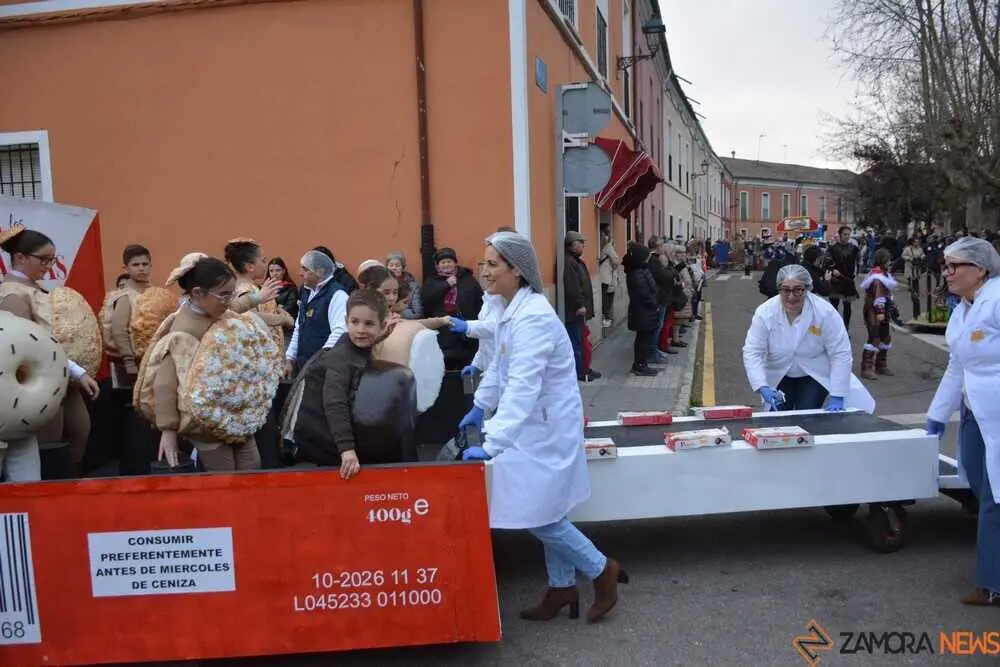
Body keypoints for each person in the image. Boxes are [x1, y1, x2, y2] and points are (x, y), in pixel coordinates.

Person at [459, 231, 627, 624]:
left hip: (546, 428)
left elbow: (522, 384)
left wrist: (493, 440)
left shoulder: (532, 317)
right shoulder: (508, 309)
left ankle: (602, 570)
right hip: (531, 427)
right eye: (483, 264)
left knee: (537, 513)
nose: (484, 272)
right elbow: (500, 367)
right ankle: (561, 587)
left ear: (517, 271)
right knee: (546, 507)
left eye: (492, 265)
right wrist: (480, 406)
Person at [142, 254, 279, 472]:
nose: (229, 300)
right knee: (225, 475)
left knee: (251, 466)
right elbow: (164, 382)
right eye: (224, 295)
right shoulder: (184, 330)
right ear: (197, 293)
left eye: (231, 293)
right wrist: (168, 431)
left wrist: (255, 300)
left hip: (235, 416)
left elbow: (234, 305)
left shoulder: (215, 308)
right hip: (206, 425)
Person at [926, 237, 1000, 607]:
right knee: (974, 477)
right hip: (975, 412)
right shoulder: (963, 310)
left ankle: (991, 583)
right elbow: (958, 363)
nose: (947, 272)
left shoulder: (998, 300)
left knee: (994, 497)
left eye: (955, 266)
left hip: (998, 413)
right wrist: (938, 414)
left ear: (981, 269)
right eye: (946, 265)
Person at [0, 226, 101, 479]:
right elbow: (30, 349)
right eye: (43, 259)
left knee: (80, 432)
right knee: (50, 448)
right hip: (33, 384)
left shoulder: (38, 289)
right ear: (20, 258)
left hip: (60, 376)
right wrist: (77, 371)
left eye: (52, 260)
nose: (49, 266)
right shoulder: (12, 294)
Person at [283, 289, 394, 480]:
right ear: (346, 321)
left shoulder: (352, 343)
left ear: (382, 326)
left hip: (324, 428)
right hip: (315, 433)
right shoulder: (340, 357)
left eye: (369, 324)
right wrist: (347, 449)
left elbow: (360, 345)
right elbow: (335, 403)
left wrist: (379, 337)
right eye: (355, 322)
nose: (360, 330)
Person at [743, 264, 875, 412]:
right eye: (785, 290)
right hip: (779, 372)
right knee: (777, 418)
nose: (791, 296)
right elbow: (753, 351)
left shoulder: (825, 312)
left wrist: (838, 394)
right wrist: (761, 385)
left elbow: (840, 353)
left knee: (806, 414)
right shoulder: (765, 312)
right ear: (778, 288)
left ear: (808, 288)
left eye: (797, 290)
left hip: (813, 373)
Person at [285, 250, 349, 377]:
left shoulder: (337, 295)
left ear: (319, 271)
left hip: (323, 370)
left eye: (305, 269)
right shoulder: (306, 292)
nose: (300, 273)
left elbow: (340, 331)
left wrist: (319, 361)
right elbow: (299, 327)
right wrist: (290, 358)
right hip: (303, 367)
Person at [563, 231, 600, 382]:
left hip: (578, 311)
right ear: (572, 245)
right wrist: (580, 305)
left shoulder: (574, 261)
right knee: (576, 343)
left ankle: (584, 368)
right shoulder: (569, 262)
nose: (583, 245)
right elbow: (572, 287)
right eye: (581, 243)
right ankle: (580, 372)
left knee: (581, 341)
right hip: (574, 312)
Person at [859, 248, 898, 379]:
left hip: (882, 309)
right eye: (887, 260)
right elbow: (878, 295)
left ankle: (881, 365)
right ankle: (866, 368)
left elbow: (886, 294)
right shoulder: (877, 277)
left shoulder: (884, 274)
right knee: (874, 337)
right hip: (873, 311)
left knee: (885, 337)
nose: (889, 262)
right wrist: (880, 311)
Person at [623, 243, 660, 376]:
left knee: (644, 338)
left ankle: (641, 363)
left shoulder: (641, 269)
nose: (648, 258)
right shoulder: (636, 273)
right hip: (642, 311)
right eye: (647, 256)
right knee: (642, 339)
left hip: (645, 311)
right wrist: (654, 303)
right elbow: (644, 294)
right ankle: (639, 365)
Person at [828, 226, 861, 328]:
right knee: (834, 307)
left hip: (848, 280)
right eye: (845, 234)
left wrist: (857, 272)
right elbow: (826, 263)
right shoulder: (832, 248)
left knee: (847, 306)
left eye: (848, 234)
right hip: (836, 280)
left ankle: (846, 329)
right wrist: (833, 270)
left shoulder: (854, 248)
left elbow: (858, 262)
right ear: (840, 234)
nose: (847, 236)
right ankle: (835, 328)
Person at [385, 251, 423, 319]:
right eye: (391, 265)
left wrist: (399, 313)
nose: (394, 268)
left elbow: (417, 312)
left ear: (403, 267)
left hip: (407, 322)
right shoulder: (382, 285)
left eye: (397, 265)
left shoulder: (413, 286)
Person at [597, 226, 619, 327]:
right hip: (605, 276)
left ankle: (605, 317)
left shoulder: (604, 246)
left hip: (604, 275)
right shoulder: (608, 246)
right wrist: (614, 266)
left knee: (605, 298)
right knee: (605, 299)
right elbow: (616, 260)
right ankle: (605, 318)